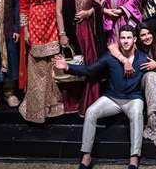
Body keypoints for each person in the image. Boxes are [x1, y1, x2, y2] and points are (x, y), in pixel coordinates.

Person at [53, 25, 148, 169]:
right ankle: (86, 156)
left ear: (135, 39)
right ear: (118, 40)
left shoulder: (142, 58)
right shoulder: (110, 58)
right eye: (123, 38)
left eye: (129, 38)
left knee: (136, 113)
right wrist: (68, 67)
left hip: (134, 99)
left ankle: (134, 158)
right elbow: (90, 70)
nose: (126, 41)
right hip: (113, 98)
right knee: (91, 111)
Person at [109, 23, 156, 160]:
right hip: (139, 86)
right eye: (143, 35)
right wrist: (125, 60)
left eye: (148, 33)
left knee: (152, 76)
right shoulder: (134, 47)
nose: (146, 37)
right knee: (150, 76)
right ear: (137, 38)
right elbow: (112, 47)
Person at [18, 0, 65, 123]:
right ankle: (35, 111)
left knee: (53, 68)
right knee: (38, 69)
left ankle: (52, 108)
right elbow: (23, 7)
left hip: (54, 25)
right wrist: (26, 30)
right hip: (35, 27)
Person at [59, 0, 102, 115]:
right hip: (70, 30)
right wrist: (62, 34)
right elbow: (59, 11)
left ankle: (89, 102)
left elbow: (98, 6)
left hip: (88, 31)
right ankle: (73, 102)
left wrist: (88, 13)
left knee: (89, 64)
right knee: (73, 64)